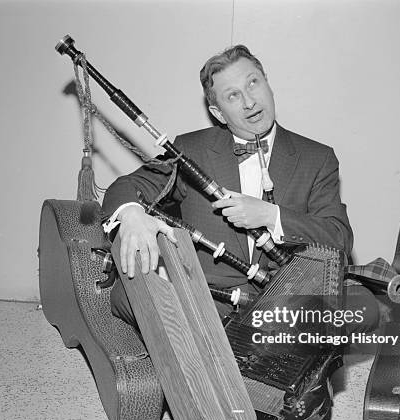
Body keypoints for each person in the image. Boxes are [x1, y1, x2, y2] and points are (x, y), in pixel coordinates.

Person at [102, 44, 378, 329]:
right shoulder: (191, 149)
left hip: (283, 307)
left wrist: (271, 216)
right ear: (218, 113)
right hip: (208, 302)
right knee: (130, 293)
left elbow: (339, 238)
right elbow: (129, 186)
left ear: (268, 85)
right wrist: (131, 215)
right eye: (233, 95)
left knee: (363, 308)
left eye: (253, 84)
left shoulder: (317, 158)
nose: (249, 102)